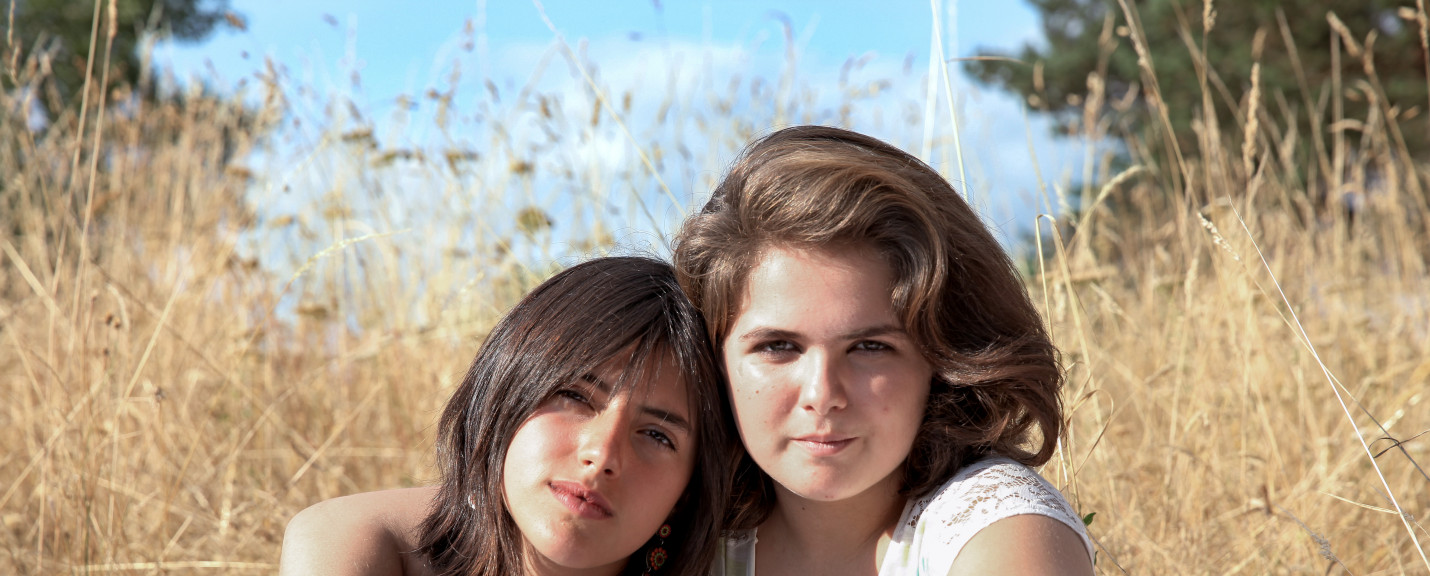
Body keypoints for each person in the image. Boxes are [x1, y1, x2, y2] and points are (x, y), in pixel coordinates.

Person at [672, 125, 1094, 575]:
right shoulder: (679, 534)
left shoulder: (1002, 531)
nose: (822, 394)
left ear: (942, 359)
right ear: (715, 360)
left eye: (870, 347)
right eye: (778, 346)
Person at [278, 256, 735, 576]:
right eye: (574, 396)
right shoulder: (362, 545)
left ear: (688, 490)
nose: (602, 455)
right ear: (503, 396)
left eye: (657, 435)